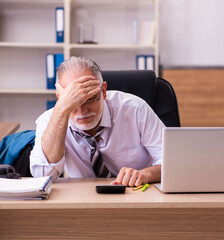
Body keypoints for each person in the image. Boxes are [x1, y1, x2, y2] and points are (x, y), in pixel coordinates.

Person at [30, 56, 165, 187]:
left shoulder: (135, 110)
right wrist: (61, 112)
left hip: (137, 194)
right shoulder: (50, 120)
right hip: (83, 200)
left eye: (89, 98)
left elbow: (174, 163)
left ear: (104, 91)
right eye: (72, 101)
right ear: (60, 97)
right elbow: (43, 175)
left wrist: (145, 174)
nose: (82, 111)